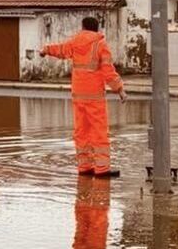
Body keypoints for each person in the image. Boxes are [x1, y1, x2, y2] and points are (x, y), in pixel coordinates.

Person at [40, 17, 126, 178]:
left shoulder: (75, 42)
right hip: (95, 96)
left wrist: (45, 49)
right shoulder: (101, 45)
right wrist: (119, 89)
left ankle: (85, 167)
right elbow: (108, 71)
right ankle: (102, 169)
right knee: (99, 132)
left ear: (83, 27)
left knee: (81, 131)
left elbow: (60, 50)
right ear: (97, 28)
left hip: (78, 95)